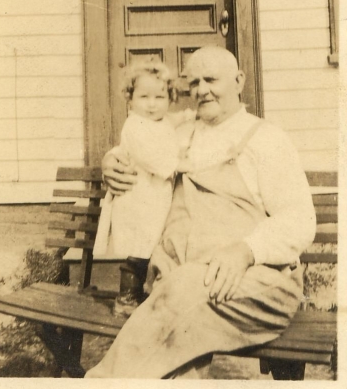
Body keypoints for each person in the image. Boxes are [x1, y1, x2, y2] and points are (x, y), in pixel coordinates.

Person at [85, 46, 316, 379]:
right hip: (184, 281)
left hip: (256, 281)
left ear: (239, 81)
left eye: (211, 79)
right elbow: (139, 142)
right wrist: (113, 160)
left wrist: (246, 250)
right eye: (193, 83)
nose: (202, 90)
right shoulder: (180, 135)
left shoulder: (266, 139)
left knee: (179, 299)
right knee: (175, 351)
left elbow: (300, 219)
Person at [93, 58, 194, 316]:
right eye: (143, 97)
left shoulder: (161, 122)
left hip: (156, 196)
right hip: (138, 197)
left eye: (159, 97)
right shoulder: (134, 126)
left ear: (170, 98)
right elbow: (151, 156)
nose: (151, 104)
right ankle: (127, 298)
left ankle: (150, 296)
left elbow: (174, 120)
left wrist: (187, 115)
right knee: (139, 248)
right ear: (130, 99)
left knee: (153, 244)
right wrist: (179, 163)